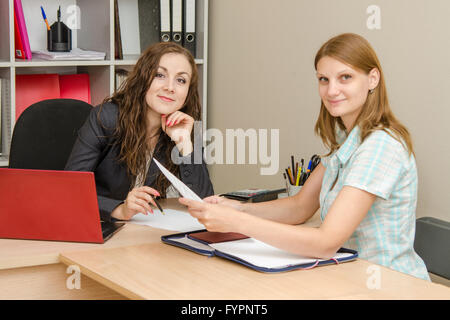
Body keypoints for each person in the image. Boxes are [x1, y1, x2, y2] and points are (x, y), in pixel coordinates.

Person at [179, 33, 430, 281]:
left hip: (388, 285)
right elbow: (299, 207)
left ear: (372, 79)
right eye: (324, 79)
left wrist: (237, 221)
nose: (332, 90)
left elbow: (325, 243)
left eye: (345, 77)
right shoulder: (346, 140)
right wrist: (237, 207)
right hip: (349, 277)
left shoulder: (380, 146)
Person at [65, 42, 214, 222]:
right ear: (143, 78)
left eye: (181, 80)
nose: (170, 87)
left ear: (188, 92)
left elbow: (204, 202)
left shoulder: (184, 126)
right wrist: (119, 209)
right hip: (97, 223)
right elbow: (70, 190)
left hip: (142, 228)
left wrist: (185, 146)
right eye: (160, 75)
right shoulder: (106, 117)